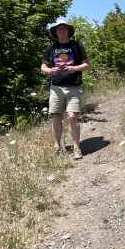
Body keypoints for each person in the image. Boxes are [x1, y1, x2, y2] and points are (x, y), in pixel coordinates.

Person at [41, 20, 90, 160]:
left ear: (68, 30)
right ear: (55, 32)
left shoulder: (77, 45)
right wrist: (51, 71)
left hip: (74, 86)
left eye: (64, 28)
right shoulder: (52, 47)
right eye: (59, 29)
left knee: (72, 116)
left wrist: (74, 68)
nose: (61, 31)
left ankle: (76, 147)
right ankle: (57, 146)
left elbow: (87, 65)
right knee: (57, 116)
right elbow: (43, 67)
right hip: (56, 87)